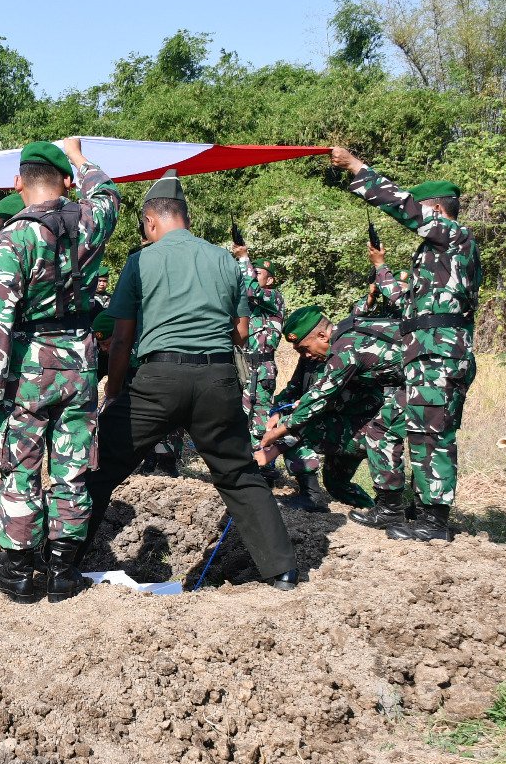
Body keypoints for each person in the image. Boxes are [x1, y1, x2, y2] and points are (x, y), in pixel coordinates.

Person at [83, 171, 300, 592]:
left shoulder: (141, 260)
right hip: (218, 379)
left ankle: (63, 556)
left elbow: (123, 336)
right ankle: (282, 572)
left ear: (150, 221)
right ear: (185, 215)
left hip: (158, 378)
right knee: (238, 473)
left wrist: (113, 392)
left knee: (102, 466)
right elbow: (240, 332)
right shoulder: (224, 259)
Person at [0, 139, 119, 604]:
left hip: (29, 365)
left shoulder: (12, 237)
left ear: (18, 183)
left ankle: (18, 571)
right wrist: (79, 156)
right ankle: (63, 572)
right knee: (72, 467)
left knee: (19, 467)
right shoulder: (91, 220)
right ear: (68, 183)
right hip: (79, 362)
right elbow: (108, 191)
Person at [329, 147, 480, 543]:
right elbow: (409, 305)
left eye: (423, 210)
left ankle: (433, 520)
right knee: (384, 428)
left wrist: (358, 169)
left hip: (440, 355)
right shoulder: (436, 255)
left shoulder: (456, 237)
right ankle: (391, 506)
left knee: (432, 434)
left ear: (436, 210)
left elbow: (403, 206)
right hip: (419, 355)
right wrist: (380, 267)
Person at [257, 305, 406, 519]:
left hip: (374, 421)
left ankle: (390, 508)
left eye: (305, 348)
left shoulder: (345, 348)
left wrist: (274, 440)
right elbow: (294, 389)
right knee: (335, 483)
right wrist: (277, 412)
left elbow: (319, 399)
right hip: (347, 425)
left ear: (321, 335)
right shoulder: (317, 354)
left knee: (300, 426)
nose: (306, 355)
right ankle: (373, 506)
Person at [230, 240, 286, 477]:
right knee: (237, 419)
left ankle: (265, 467)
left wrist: (243, 257)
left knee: (259, 421)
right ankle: (242, 464)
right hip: (240, 364)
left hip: (261, 368)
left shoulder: (274, 298)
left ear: (270, 279)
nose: (251, 275)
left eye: (257, 272)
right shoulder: (247, 305)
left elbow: (251, 288)